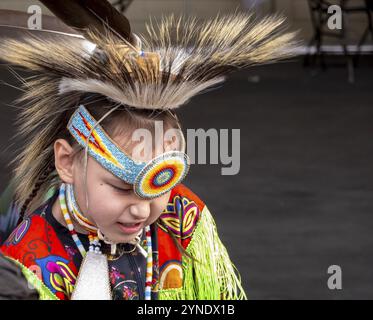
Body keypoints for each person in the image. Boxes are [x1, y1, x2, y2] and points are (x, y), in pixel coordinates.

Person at [0, 0, 298, 300]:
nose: (142, 209)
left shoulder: (181, 218)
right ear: (67, 162)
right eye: (122, 187)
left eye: (160, 182)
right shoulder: (28, 262)